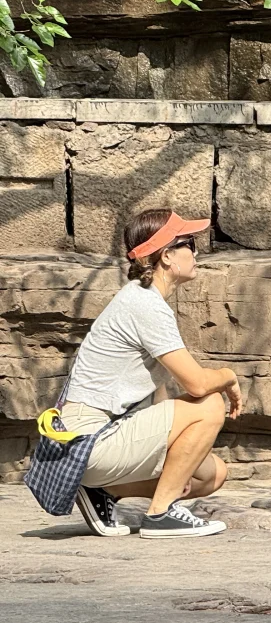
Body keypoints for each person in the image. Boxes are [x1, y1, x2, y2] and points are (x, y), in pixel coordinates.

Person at [59, 208, 241, 538]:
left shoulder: (144, 300)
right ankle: (160, 515)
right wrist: (229, 376)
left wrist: (176, 458)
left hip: (102, 440)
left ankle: (106, 492)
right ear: (168, 256)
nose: (197, 252)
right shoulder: (145, 305)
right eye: (191, 244)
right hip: (90, 441)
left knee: (211, 475)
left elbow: (162, 395)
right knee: (211, 403)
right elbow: (198, 384)